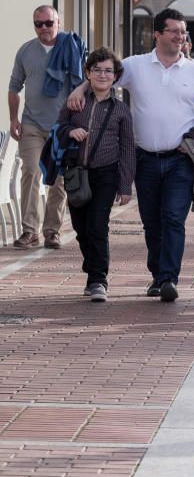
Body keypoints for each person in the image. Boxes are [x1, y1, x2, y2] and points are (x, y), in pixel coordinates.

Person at [68, 8, 194, 302]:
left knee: (173, 218)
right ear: (157, 34)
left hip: (180, 159)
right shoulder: (135, 65)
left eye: (183, 32)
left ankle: (169, 278)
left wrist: (192, 140)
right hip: (144, 158)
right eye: (173, 31)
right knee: (152, 222)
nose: (180, 36)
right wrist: (82, 87)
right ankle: (158, 274)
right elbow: (105, 75)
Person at [58, 48, 135, 302]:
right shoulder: (75, 102)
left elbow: (127, 150)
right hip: (77, 174)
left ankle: (98, 279)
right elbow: (58, 129)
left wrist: (125, 186)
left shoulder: (121, 110)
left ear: (115, 76)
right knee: (80, 227)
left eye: (108, 71)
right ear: (88, 73)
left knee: (97, 225)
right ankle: (92, 266)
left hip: (106, 175)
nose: (103, 75)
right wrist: (71, 131)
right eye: (97, 70)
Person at [8, 5, 72, 249]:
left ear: (58, 22)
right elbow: (14, 87)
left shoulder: (71, 48)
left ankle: (52, 231)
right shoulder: (25, 51)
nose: (44, 28)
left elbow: (84, 83)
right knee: (31, 172)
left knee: (58, 180)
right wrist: (14, 119)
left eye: (48, 22)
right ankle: (29, 230)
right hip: (32, 124)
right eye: (38, 24)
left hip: (62, 126)